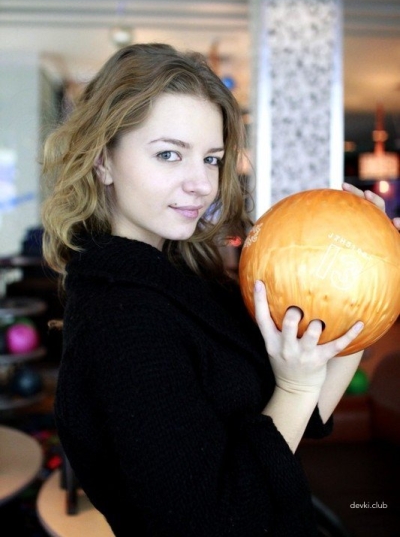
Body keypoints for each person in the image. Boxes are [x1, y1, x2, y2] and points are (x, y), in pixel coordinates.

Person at [41, 42, 397, 537]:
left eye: (211, 158)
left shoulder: (183, 274)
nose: (201, 184)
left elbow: (298, 417)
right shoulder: (121, 319)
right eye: (169, 154)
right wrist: (293, 386)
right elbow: (212, 524)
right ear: (102, 161)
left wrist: (373, 276)